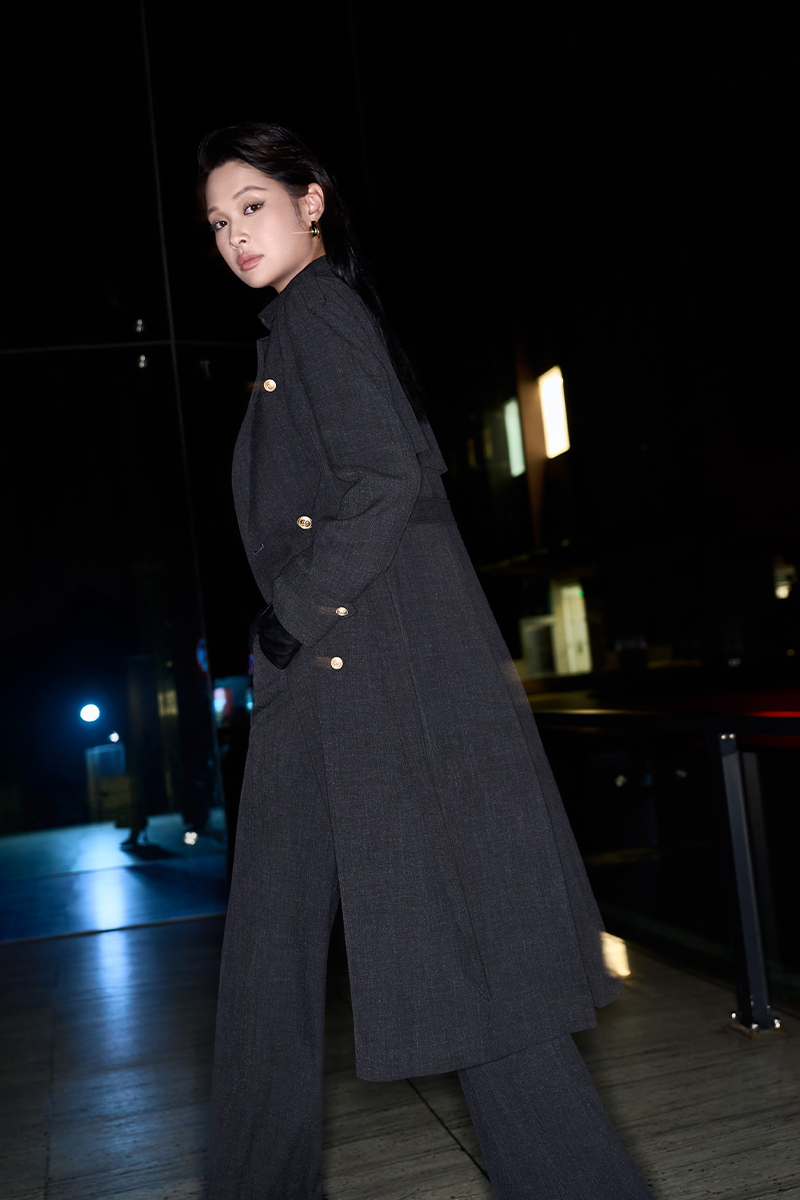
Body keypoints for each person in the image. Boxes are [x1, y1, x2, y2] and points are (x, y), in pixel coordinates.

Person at [199, 123, 655, 1200]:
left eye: (252, 207)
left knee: (443, 947)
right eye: (217, 223)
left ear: (311, 202)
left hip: (368, 669)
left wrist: (290, 616)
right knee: (276, 955)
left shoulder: (318, 310)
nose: (233, 236)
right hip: (329, 676)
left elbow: (385, 476)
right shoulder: (298, 325)